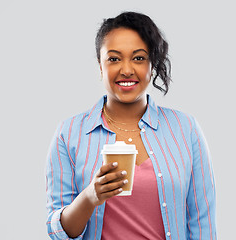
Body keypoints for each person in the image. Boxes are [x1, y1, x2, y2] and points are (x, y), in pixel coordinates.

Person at [46, 11, 217, 240]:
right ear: (100, 65)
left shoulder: (186, 129)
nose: (126, 70)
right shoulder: (69, 135)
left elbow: (202, 223)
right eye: (114, 59)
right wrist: (90, 197)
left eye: (138, 58)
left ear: (152, 64)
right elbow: (58, 233)